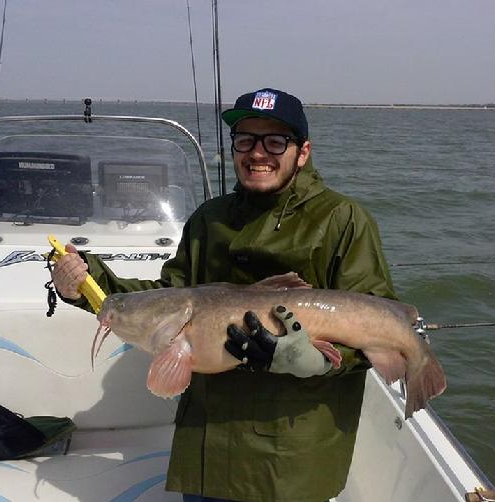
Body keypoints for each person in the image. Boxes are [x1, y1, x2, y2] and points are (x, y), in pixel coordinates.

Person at [51, 88, 397, 502]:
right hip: (208, 444)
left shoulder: (343, 220)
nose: (257, 153)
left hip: (290, 454)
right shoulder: (209, 218)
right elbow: (167, 298)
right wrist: (89, 283)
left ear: (302, 152)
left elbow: (377, 319)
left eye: (275, 141)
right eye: (245, 140)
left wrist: (315, 362)